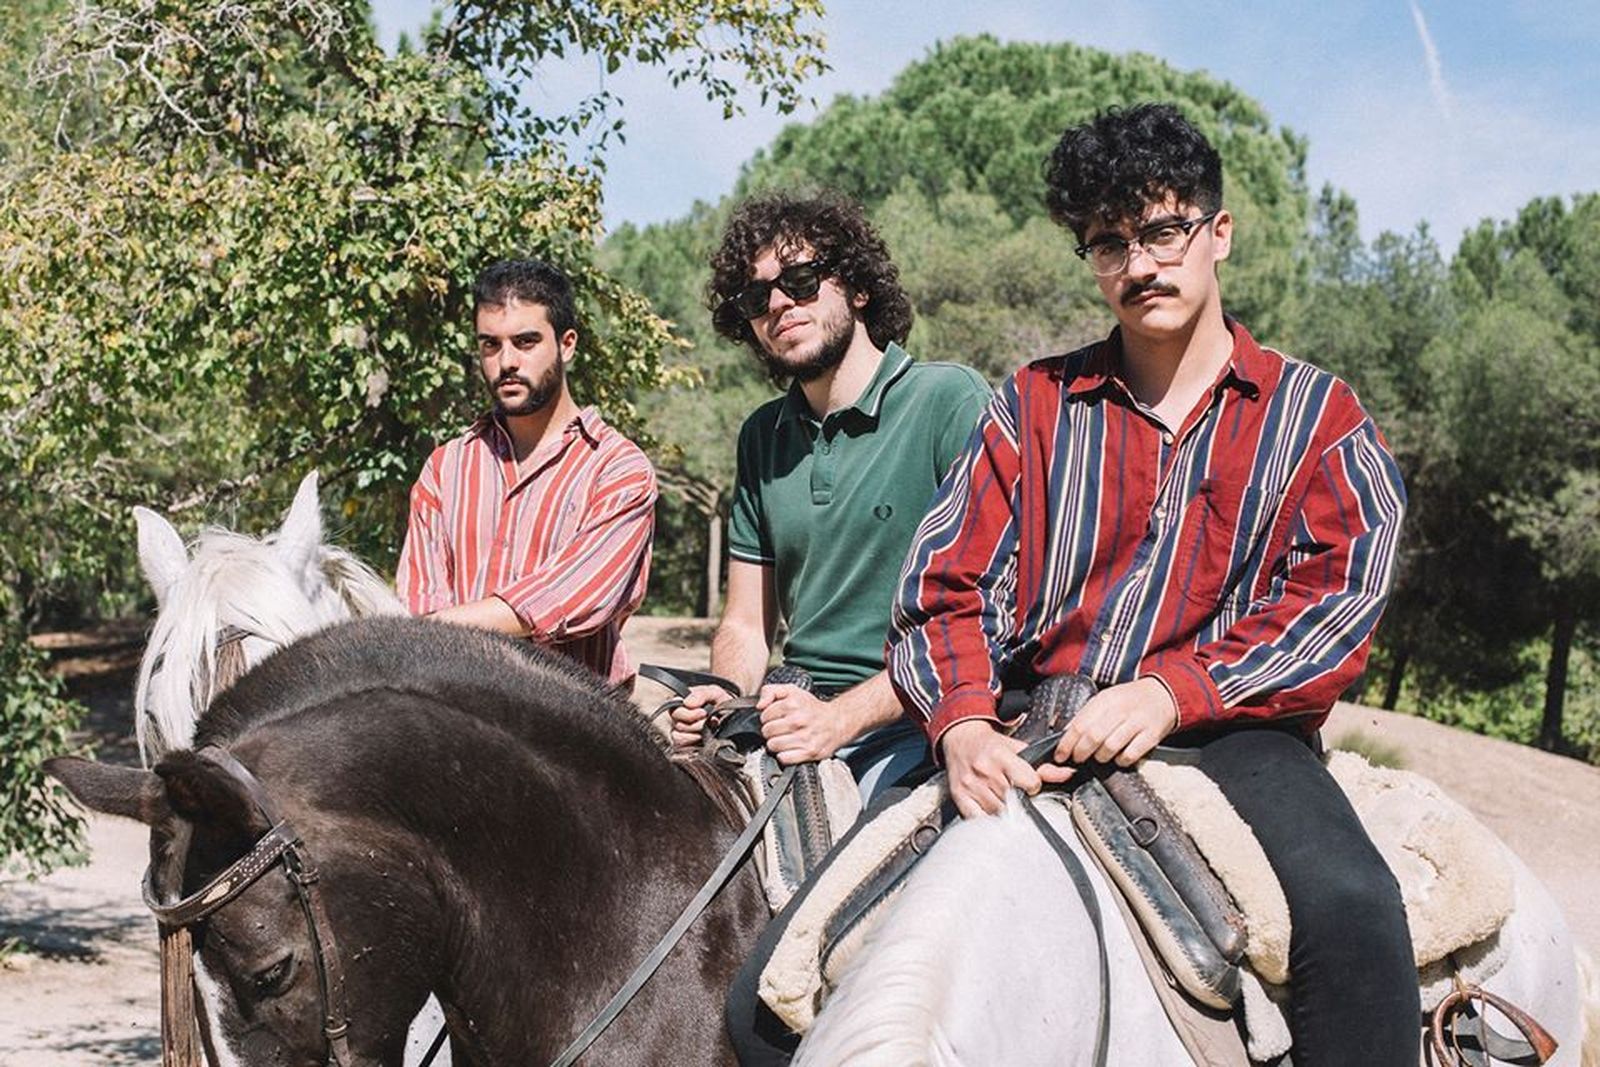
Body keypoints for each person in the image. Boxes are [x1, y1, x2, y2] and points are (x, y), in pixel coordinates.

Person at [888, 104, 1417, 1063]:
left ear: (1219, 234)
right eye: (1109, 243)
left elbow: (1336, 602)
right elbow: (943, 585)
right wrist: (961, 721)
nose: (1139, 265)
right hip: (1031, 718)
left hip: (1239, 736)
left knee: (1354, 910)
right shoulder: (1033, 403)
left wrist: (1174, 690)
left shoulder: (1318, 417)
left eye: (1164, 231)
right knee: (783, 975)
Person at [667, 190, 990, 805]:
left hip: (918, 724)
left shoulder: (947, 401)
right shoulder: (762, 435)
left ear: (858, 288)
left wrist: (841, 719)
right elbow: (745, 624)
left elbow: (994, 613)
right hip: (791, 719)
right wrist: (724, 695)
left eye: (801, 280)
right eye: (756, 298)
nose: (779, 304)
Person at [397, 258, 657, 689]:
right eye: (490, 345)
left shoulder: (618, 470)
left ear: (567, 344)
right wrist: (421, 632)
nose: (507, 362)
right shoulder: (445, 469)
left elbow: (572, 594)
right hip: (454, 710)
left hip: (573, 719)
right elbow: (418, 602)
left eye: (526, 342)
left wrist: (427, 631)